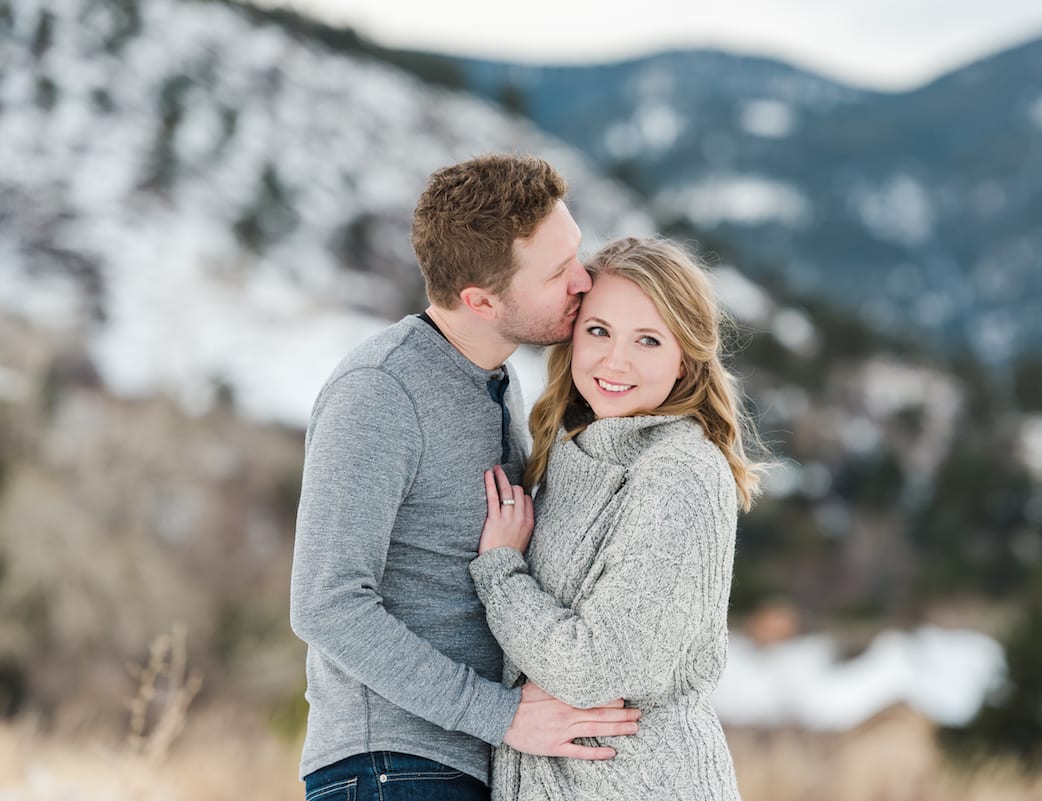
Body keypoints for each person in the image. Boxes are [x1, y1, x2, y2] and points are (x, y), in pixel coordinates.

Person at [289, 155, 642, 801]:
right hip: (391, 767)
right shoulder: (380, 391)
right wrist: (500, 714)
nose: (583, 280)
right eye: (557, 271)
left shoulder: (495, 381)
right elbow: (326, 603)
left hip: (458, 764)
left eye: (576, 254)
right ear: (480, 300)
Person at [469, 236, 764, 800]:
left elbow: (595, 669)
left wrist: (502, 571)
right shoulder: (567, 453)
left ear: (684, 358)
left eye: (647, 340)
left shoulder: (679, 472)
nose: (615, 361)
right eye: (599, 331)